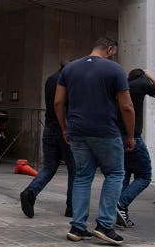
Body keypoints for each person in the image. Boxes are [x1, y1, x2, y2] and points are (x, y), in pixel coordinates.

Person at [55, 37, 135, 245]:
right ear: (109, 49)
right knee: (115, 173)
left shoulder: (69, 69)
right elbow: (127, 107)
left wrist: (65, 128)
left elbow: (58, 101)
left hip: (77, 130)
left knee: (82, 176)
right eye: (114, 52)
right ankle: (105, 226)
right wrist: (131, 134)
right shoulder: (115, 69)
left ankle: (78, 227)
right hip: (106, 131)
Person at [20, 61, 75, 218]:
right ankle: (71, 208)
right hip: (64, 129)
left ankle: (30, 192)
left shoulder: (51, 79)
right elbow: (63, 104)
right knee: (75, 169)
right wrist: (67, 128)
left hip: (49, 127)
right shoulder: (68, 80)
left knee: (49, 168)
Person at [116, 69, 155, 228]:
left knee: (124, 175)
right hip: (133, 137)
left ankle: (119, 210)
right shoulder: (142, 82)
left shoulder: (123, 84)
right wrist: (150, 75)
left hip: (116, 136)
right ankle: (121, 204)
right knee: (145, 175)